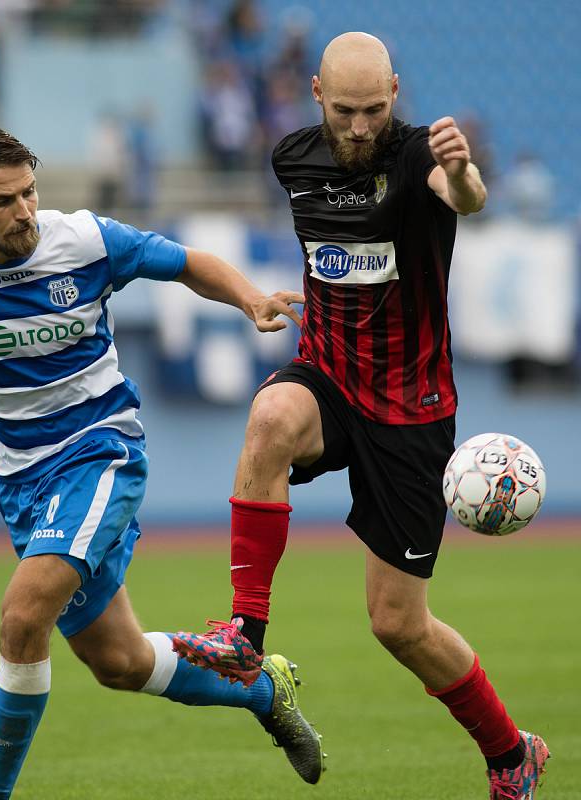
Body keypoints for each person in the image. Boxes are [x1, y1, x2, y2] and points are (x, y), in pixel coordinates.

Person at [0, 125, 325, 799]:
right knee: (118, 661)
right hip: (22, 480)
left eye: (29, 192)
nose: (24, 212)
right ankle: (264, 690)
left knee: (21, 616)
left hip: (103, 451)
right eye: (3, 201)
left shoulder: (84, 240)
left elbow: (183, 261)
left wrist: (249, 298)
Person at [173, 32, 550, 799]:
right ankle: (246, 637)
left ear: (396, 95)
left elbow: (465, 201)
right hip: (331, 380)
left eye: (375, 110)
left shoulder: (418, 158)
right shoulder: (292, 160)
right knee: (272, 415)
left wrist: (462, 169)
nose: (359, 127)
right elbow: (340, 249)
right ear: (316, 94)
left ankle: (512, 752)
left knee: (398, 626)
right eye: (345, 111)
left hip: (412, 412)